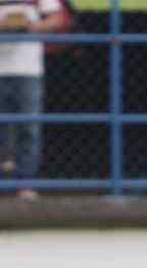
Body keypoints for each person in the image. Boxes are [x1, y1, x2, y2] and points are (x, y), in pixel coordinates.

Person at [0, 0, 69, 199]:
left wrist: (30, 27)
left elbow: (58, 18)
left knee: (29, 127)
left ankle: (26, 184)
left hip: (28, 69)